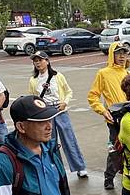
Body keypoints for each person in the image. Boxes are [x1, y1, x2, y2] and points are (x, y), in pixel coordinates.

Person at [28, 51, 88, 179]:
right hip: (45, 113)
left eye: (40, 60)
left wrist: (65, 103)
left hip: (60, 110)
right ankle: (54, 167)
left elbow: (68, 91)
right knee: (49, 141)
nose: (38, 63)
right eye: (35, 61)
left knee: (69, 139)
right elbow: (33, 98)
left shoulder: (57, 76)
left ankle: (80, 167)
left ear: (47, 61)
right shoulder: (33, 80)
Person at [87, 42, 130, 190]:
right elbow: (93, 96)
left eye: (124, 53)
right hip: (113, 119)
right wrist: (103, 111)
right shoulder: (103, 73)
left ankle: (129, 175)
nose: (122, 56)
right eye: (118, 53)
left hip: (129, 117)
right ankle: (109, 177)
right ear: (112, 55)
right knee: (115, 149)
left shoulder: (128, 74)